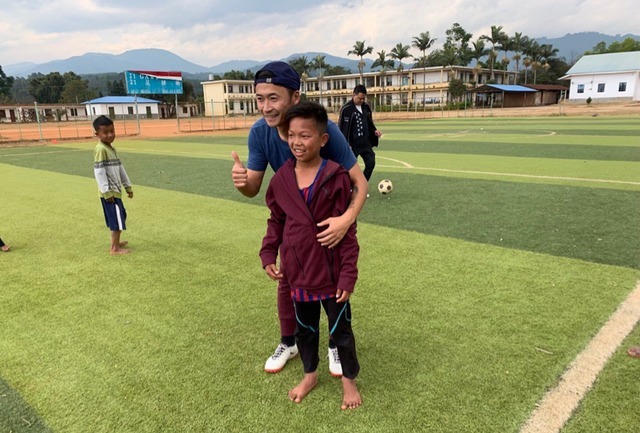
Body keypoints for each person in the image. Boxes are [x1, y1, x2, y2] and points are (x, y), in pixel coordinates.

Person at [231, 61, 368, 376]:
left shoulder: (324, 131)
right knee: (286, 282)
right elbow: (254, 189)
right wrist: (241, 181)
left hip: (328, 224)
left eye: (273, 98)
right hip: (293, 226)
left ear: (295, 97)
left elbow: (360, 184)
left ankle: (335, 344)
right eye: (260, 98)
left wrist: (345, 220)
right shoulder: (259, 133)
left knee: (333, 283)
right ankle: (289, 342)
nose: (266, 107)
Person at [260, 101, 362, 410]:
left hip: (331, 276)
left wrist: (348, 274)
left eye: (305, 136)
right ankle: (310, 374)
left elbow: (348, 231)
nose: (296, 142)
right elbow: (276, 221)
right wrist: (268, 253)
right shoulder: (281, 180)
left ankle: (348, 382)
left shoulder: (335, 177)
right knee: (304, 331)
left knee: (340, 331)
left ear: (322, 139)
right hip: (298, 273)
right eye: (291, 135)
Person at [92, 115, 134, 255]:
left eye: (112, 131)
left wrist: (127, 186)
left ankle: (116, 243)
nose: (110, 135)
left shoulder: (111, 149)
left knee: (120, 216)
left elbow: (120, 169)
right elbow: (99, 172)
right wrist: (106, 191)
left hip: (116, 191)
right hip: (110, 193)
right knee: (116, 220)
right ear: (97, 134)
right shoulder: (101, 149)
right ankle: (115, 249)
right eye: (105, 132)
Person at [338, 84, 382, 187]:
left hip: (365, 143)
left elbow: (369, 122)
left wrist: (375, 131)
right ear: (354, 95)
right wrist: (345, 143)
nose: (361, 100)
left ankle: (361, 185)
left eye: (363, 98)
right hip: (352, 145)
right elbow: (341, 128)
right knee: (348, 168)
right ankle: (347, 188)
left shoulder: (366, 107)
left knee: (371, 162)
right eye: (359, 98)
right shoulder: (346, 109)